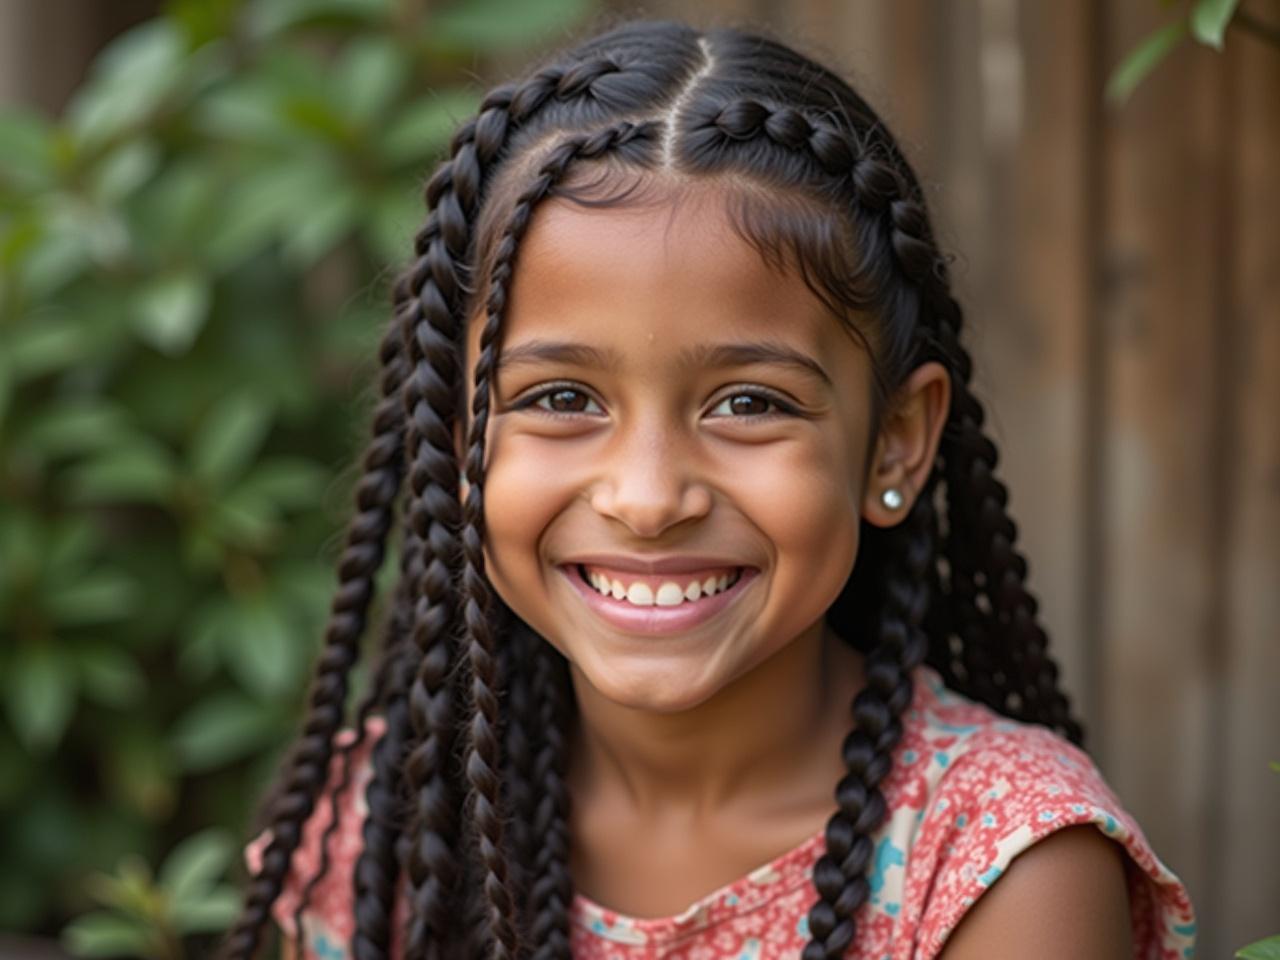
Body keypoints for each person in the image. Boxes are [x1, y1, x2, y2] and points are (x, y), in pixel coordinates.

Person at [225, 19, 1197, 960]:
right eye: (561, 397)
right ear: (456, 444)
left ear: (893, 445)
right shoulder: (381, 822)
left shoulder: (998, 867)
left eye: (746, 403)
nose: (648, 500)